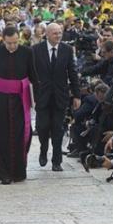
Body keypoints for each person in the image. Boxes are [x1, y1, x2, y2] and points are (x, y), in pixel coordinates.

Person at [0, 26, 37, 184]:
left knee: (20, 135)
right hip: (0, 100)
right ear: (3, 40)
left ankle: (18, 171)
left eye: (15, 42)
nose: (13, 46)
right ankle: (3, 173)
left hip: (20, 101)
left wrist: (36, 99)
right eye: (9, 43)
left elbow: (33, 76)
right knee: (0, 135)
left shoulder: (27, 52)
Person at [32, 22, 81, 171]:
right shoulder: (36, 50)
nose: (58, 36)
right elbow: (31, 73)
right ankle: (43, 150)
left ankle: (56, 160)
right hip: (42, 95)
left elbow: (72, 73)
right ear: (47, 34)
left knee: (58, 128)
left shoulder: (66, 50)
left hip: (60, 95)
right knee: (42, 127)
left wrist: (77, 95)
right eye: (55, 33)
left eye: (60, 33)